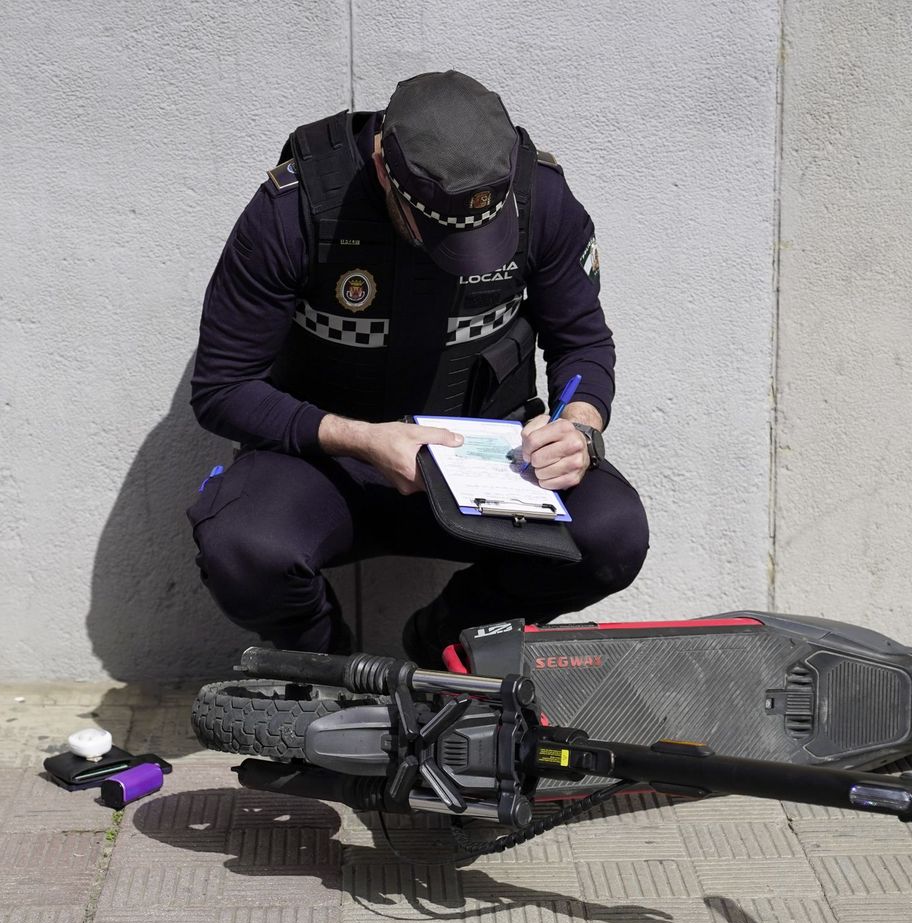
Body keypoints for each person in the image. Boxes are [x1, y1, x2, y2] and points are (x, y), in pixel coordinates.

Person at [187, 70, 648, 666]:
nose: (456, 257)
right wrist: (359, 438)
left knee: (612, 535)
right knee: (241, 547)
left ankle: (447, 646)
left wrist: (579, 426)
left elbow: (583, 343)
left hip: (483, 466)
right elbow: (222, 388)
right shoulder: (292, 209)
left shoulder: (542, 197)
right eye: (432, 231)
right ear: (383, 166)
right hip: (331, 466)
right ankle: (334, 671)